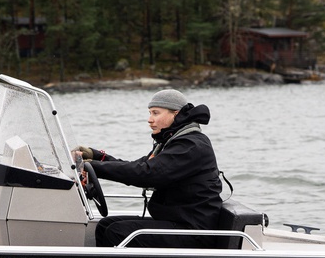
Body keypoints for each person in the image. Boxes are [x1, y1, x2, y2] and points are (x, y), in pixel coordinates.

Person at [76, 89, 223, 248]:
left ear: (175, 114)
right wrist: (98, 157)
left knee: (118, 232)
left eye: (155, 113)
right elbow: (138, 166)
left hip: (193, 231)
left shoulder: (190, 145)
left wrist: (92, 167)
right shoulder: (172, 142)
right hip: (177, 221)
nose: (150, 120)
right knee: (105, 225)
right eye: (150, 113)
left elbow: (146, 174)